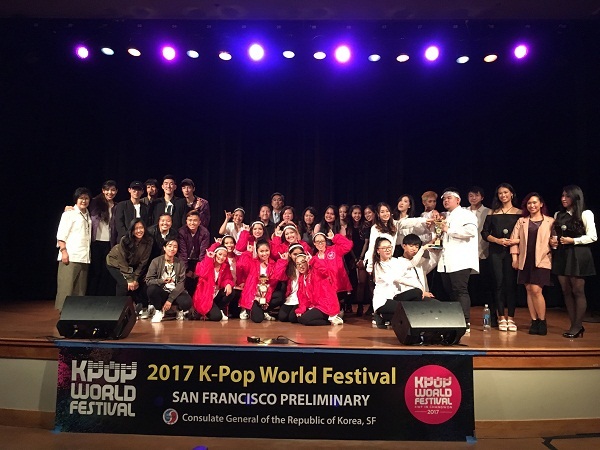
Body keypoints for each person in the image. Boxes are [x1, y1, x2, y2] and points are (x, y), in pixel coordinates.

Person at [550, 185, 597, 338]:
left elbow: (593, 236)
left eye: (567, 196)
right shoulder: (558, 214)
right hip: (562, 254)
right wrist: (553, 241)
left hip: (578, 254)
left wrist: (574, 240)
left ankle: (577, 326)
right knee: (566, 290)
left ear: (575, 197)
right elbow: (556, 234)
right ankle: (574, 324)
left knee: (578, 290)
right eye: (562, 196)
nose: (563, 199)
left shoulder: (585, 213)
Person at [510, 192, 554, 336]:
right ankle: (534, 321)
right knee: (529, 289)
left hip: (541, 259)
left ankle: (542, 321)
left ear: (541, 204)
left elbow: (554, 240)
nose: (532, 205)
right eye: (529, 203)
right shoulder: (522, 221)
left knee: (536, 290)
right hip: (525, 259)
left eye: (535, 202)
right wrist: (515, 259)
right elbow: (513, 240)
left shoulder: (550, 221)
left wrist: (554, 243)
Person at [437, 188, 479, 331]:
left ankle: (465, 322)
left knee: (460, 290)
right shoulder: (446, 216)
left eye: (449, 198)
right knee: (450, 291)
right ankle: (455, 320)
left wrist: (448, 230)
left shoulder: (466, 214)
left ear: (458, 200)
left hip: (460, 260)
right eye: (444, 199)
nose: (446, 201)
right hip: (446, 260)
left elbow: (470, 231)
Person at [481, 183, 522, 332]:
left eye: (505, 192)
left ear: (511, 194)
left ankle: (511, 317)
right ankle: (501, 317)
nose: (503, 195)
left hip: (513, 252)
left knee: (510, 284)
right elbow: (485, 233)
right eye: (500, 193)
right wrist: (497, 240)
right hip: (496, 252)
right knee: (498, 284)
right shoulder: (492, 212)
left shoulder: (520, 212)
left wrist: (514, 241)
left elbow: (524, 234)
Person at [55, 187, 92, 311]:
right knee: (66, 287)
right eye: (81, 198)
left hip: (84, 257)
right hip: (71, 256)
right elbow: (61, 235)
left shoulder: (88, 214)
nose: (84, 201)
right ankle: (63, 312)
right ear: (76, 199)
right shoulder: (69, 214)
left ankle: (76, 313)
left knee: (80, 289)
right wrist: (64, 251)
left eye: (86, 198)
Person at [237, 239, 287, 322]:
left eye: (266, 251)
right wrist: (248, 252)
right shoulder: (252, 262)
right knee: (257, 319)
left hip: (266, 294)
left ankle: (265, 310)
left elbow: (278, 277)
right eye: (261, 251)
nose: (264, 254)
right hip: (253, 295)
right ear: (257, 252)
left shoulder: (273, 264)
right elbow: (241, 265)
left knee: (280, 296)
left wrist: (282, 261)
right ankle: (248, 309)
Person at [106, 218, 153, 302]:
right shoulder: (125, 240)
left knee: (137, 284)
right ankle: (119, 307)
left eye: (141, 228)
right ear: (132, 230)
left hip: (131, 265)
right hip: (115, 263)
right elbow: (122, 262)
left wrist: (135, 279)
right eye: (136, 228)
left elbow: (143, 263)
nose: (139, 231)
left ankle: (134, 306)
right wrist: (130, 279)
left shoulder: (149, 241)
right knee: (124, 284)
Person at [145, 238, 192, 323]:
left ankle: (179, 310)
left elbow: (181, 283)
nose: (172, 249)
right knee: (152, 289)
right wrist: (162, 281)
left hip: (175, 292)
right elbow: (148, 280)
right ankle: (159, 310)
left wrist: (170, 300)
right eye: (169, 246)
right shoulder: (156, 261)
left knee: (187, 302)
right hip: (162, 291)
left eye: (175, 247)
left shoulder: (180, 263)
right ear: (164, 248)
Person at [464, 186, 492, 318]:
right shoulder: (463, 211)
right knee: (467, 283)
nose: (473, 198)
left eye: (476, 195)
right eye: (471, 195)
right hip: (466, 252)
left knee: (485, 283)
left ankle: (488, 312)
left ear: (482, 197)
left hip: (483, 250)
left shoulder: (488, 211)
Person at [87, 180, 118, 296]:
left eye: (113, 190)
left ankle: (102, 297)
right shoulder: (94, 202)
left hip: (109, 243)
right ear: (103, 191)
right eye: (107, 190)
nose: (110, 192)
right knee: (96, 272)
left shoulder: (117, 206)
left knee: (106, 272)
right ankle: (92, 297)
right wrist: (70, 208)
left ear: (116, 191)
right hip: (95, 242)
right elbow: (81, 207)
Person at [295, 253, 344, 326]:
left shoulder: (315, 273)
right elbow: (303, 297)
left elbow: (325, 270)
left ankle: (333, 320)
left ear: (307, 262)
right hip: (315, 305)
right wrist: (301, 310)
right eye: (298, 264)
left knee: (305, 320)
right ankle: (328, 319)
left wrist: (313, 260)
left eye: (303, 262)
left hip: (325, 305)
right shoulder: (302, 278)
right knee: (297, 318)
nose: (301, 266)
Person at [313, 231, 353, 315]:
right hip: (326, 290)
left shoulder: (334, 249)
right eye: (317, 241)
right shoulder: (314, 259)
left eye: (322, 241)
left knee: (338, 312)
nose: (320, 243)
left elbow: (348, 245)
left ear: (326, 241)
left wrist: (335, 238)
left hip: (339, 286)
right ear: (314, 243)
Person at [190, 245, 234, 321]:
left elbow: (228, 278)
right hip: (205, 296)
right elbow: (202, 273)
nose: (222, 257)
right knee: (216, 317)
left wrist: (228, 284)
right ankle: (199, 312)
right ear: (215, 254)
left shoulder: (225, 266)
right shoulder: (203, 263)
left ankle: (219, 309)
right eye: (220, 254)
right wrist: (208, 259)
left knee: (231, 292)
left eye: (224, 255)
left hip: (216, 294)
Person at [178, 209, 210, 295]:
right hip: (185, 261)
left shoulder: (204, 232)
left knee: (198, 280)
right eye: (190, 220)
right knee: (185, 278)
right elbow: (182, 252)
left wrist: (199, 270)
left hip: (197, 260)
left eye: (195, 220)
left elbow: (203, 252)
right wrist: (186, 270)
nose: (192, 223)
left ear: (199, 222)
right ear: (186, 221)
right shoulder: (181, 232)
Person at [347, 205, 369, 316]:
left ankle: (360, 305)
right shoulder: (349, 227)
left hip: (363, 256)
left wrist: (360, 258)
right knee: (352, 282)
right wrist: (354, 258)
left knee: (362, 282)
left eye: (359, 213)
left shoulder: (365, 226)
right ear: (351, 214)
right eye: (355, 213)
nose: (357, 215)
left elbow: (366, 242)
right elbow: (349, 244)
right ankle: (349, 305)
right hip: (351, 256)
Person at [365, 202, 397, 274]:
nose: (385, 214)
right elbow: (372, 247)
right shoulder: (375, 228)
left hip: (389, 260)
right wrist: (370, 266)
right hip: (378, 261)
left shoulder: (394, 225)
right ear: (378, 214)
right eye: (382, 212)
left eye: (387, 211)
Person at [277, 243, 306, 322]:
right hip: (291, 296)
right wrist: (283, 261)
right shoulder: (289, 267)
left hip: (302, 297)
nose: (297, 256)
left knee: (292, 318)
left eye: (300, 254)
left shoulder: (306, 265)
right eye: (295, 254)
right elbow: (278, 276)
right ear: (290, 255)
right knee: (282, 317)